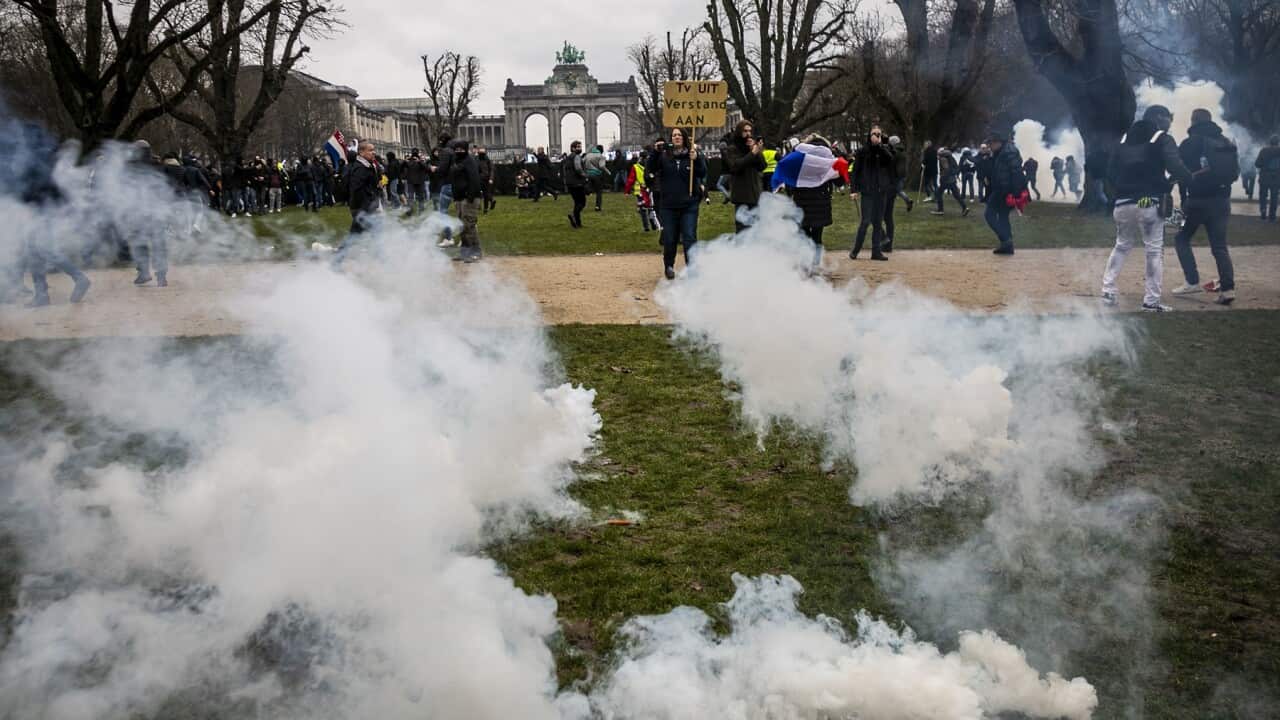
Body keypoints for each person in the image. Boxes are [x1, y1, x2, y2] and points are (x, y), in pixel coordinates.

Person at [1100, 104, 1194, 312]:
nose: (1170, 121)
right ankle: (1151, 301)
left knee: (1122, 245)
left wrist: (1120, 192)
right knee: (1153, 250)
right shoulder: (1162, 138)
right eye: (1169, 117)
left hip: (1123, 203)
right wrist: (1187, 179)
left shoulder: (1124, 139)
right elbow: (1175, 166)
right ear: (1159, 118)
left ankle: (1108, 291)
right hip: (1148, 202)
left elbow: (1110, 172)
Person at [12, 124, 90, 307]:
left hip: (41, 211)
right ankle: (42, 295)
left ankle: (78, 279)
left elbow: (33, 188)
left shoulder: (35, 160)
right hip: (44, 210)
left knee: (44, 250)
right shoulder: (45, 157)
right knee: (35, 253)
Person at [1171, 108, 1239, 306]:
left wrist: (1184, 198)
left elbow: (1181, 172)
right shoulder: (1225, 142)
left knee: (1181, 238)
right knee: (1219, 246)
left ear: (1193, 121)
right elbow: (1235, 173)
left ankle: (1192, 281)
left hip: (1198, 200)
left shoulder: (1190, 143)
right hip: (1222, 200)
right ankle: (1228, 289)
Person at [646, 127, 706, 279]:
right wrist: (655, 152)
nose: (677, 137)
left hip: (689, 203)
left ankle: (692, 268)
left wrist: (697, 158)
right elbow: (651, 168)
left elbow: (703, 172)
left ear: (685, 137)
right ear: (670, 138)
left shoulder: (692, 154)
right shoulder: (664, 155)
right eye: (674, 135)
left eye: (679, 135)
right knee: (670, 238)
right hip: (669, 204)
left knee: (689, 236)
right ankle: (669, 266)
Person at [332, 141, 382, 268]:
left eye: (373, 149)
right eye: (370, 150)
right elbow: (356, 190)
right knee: (375, 233)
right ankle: (383, 261)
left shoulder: (367, 165)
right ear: (361, 152)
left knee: (357, 235)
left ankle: (337, 262)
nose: (373, 152)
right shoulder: (360, 168)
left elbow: (369, 186)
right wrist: (366, 208)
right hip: (361, 208)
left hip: (365, 207)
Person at [849, 125, 895, 260]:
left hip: (881, 191)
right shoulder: (863, 151)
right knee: (865, 221)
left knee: (878, 222)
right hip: (867, 191)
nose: (876, 136)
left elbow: (890, 160)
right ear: (869, 136)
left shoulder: (883, 151)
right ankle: (855, 250)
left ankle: (876, 252)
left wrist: (880, 146)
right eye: (874, 134)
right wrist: (853, 190)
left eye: (879, 134)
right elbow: (855, 171)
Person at [984, 130, 1027, 255]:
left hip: (1005, 191)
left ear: (998, 142)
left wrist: (1016, 193)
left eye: (991, 143)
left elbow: (1017, 173)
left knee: (989, 214)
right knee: (1003, 217)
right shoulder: (1000, 152)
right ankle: (1007, 246)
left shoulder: (1009, 152)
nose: (989, 146)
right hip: (1001, 189)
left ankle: (1006, 240)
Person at [722, 120, 766, 232]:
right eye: (745, 131)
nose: (748, 134)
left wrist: (757, 152)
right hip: (741, 195)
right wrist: (752, 154)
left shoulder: (752, 147)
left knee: (755, 231)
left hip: (755, 194)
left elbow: (762, 166)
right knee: (743, 231)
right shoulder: (732, 149)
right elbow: (735, 166)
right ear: (739, 132)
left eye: (750, 131)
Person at [448, 140, 483, 262]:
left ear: (465, 149)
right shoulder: (457, 161)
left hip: (469, 198)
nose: (458, 151)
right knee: (462, 227)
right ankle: (464, 252)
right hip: (459, 198)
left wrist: (470, 197)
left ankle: (476, 252)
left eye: (460, 149)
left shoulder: (469, 161)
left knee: (469, 226)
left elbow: (474, 179)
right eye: (456, 149)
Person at [931, 146, 970, 217]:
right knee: (956, 195)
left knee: (938, 193)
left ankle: (940, 210)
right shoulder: (951, 157)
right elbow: (957, 168)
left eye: (938, 154)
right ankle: (965, 207)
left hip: (946, 180)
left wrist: (943, 177)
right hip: (952, 180)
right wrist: (954, 174)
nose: (937, 156)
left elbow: (946, 169)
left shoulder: (943, 158)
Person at [625, 153, 660, 232]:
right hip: (651, 189)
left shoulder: (636, 167)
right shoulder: (652, 165)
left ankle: (646, 227)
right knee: (651, 208)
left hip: (640, 190)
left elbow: (631, 179)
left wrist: (627, 191)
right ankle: (654, 224)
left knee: (643, 209)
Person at [563, 140, 589, 228]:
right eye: (578, 147)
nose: (580, 148)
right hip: (577, 183)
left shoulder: (568, 158)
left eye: (580, 147)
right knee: (582, 202)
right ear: (573, 148)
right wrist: (585, 175)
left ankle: (577, 223)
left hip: (570, 183)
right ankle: (573, 215)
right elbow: (578, 168)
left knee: (577, 202)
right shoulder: (577, 156)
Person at [887, 136, 915, 212]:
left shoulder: (895, 152)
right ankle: (907, 201)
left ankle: (908, 201)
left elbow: (893, 164)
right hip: (901, 174)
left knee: (897, 190)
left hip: (897, 175)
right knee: (897, 190)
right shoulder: (902, 151)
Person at [1256, 135, 1280, 222]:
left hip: (1264, 178)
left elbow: (1257, 164)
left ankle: (1263, 212)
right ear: (1278, 142)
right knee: (1274, 197)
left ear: (1270, 142)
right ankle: (1272, 216)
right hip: (1276, 179)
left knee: (1263, 196)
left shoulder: (1264, 150)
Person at [402, 149, 429, 215]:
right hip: (411, 182)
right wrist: (404, 162)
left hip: (419, 182)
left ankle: (421, 211)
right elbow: (401, 168)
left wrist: (419, 161)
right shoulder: (408, 161)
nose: (414, 155)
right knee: (411, 197)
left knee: (420, 197)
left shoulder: (421, 160)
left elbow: (426, 168)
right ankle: (410, 210)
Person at [584, 144, 608, 211]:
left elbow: (582, 161)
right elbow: (602, 166)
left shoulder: (588, 155)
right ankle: (597, 206)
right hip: (597, 175)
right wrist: (608, 172)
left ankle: (585, 193)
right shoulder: (601, 156)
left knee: (588, 189)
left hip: (589, 174)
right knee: (599, 191)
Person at [476, 146, 496, 213]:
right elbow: (492, 170)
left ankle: (485, 207)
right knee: (485, 194)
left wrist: (491, 178)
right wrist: (491, 178)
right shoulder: (486, 160)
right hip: (485, 179)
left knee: (484, 194)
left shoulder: (481, 160)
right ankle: (488, 205)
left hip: (483, 179)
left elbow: (491, 170)